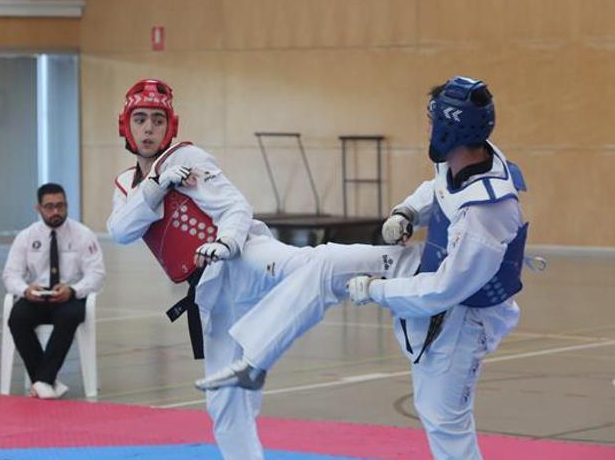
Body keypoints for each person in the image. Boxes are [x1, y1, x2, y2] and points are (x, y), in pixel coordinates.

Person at [200, 76, 528, 460]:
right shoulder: (469, 157)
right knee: (326, 264)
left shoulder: (488, 211)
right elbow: (437, 187)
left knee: (445, 422)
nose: (427, 128)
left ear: (450, 126)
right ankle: (253, 362)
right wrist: (407, 212)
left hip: (461, 313)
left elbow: (444, 289)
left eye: (432, 120)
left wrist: (375, 290)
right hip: (425, 267)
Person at [106, 79, 417, 460]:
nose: (149, 128)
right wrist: (156, 185)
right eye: (140, 119)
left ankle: (403, 261)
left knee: (310, 264)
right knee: (224, 399)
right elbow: (120, 230)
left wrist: (227, 242)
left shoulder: (189, 159)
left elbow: (236, 207)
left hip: (246, 257)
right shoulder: (128, 184)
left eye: (157, 119)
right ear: (126, 125)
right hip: (211, 293)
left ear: (171, 126)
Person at [3, 182, 106, 399]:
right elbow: (10, 274)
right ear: (38, 208)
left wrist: (73, 290)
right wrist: (25, 290)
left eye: (60, 206)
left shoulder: (83, 235)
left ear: (67, 205)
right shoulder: (26, 236)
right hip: (38, 296)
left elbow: (97, 275)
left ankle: (42, 380)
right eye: (49, 207)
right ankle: (47, 381)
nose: (56, 211)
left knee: (69, 316)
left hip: (70, 295)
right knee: (17, 317)